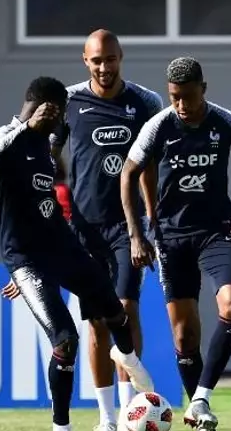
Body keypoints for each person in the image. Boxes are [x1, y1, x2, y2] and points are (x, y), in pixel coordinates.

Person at [0, 76, 154, 431]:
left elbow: (47, 183)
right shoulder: (7, 137)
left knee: (116, 311)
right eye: (59, 113)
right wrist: (28, 126)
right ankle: (61, 427)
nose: (62, 121)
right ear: (43, 109)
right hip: (27, 260)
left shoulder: (47, 145)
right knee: (66, 340)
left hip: (63, 247)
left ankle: (125, 356)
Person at [120, 57, 231, 430]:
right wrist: (138, 234)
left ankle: (202, 398)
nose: (182, 105)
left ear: (204, 88)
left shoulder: (226, 121)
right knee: (185, 333)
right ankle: (197, 408)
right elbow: (129, 173)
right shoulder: (159, 125)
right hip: (171, 238)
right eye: (175, 98)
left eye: (188, 96)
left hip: (216, 231)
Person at [49, 29, 163, 429]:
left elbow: (150, 168)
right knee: (95, 323)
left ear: (121, 57)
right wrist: (54, 200)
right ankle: (107, 417)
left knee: (126, 310)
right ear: (85, 60)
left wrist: (150, 224)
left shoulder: (146, 102)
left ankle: (135, 410)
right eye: (96, 60)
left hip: (127, 226)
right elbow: (49, 155)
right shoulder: (68, 102)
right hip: (83, 228)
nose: (104, 67)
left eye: (110, 59)